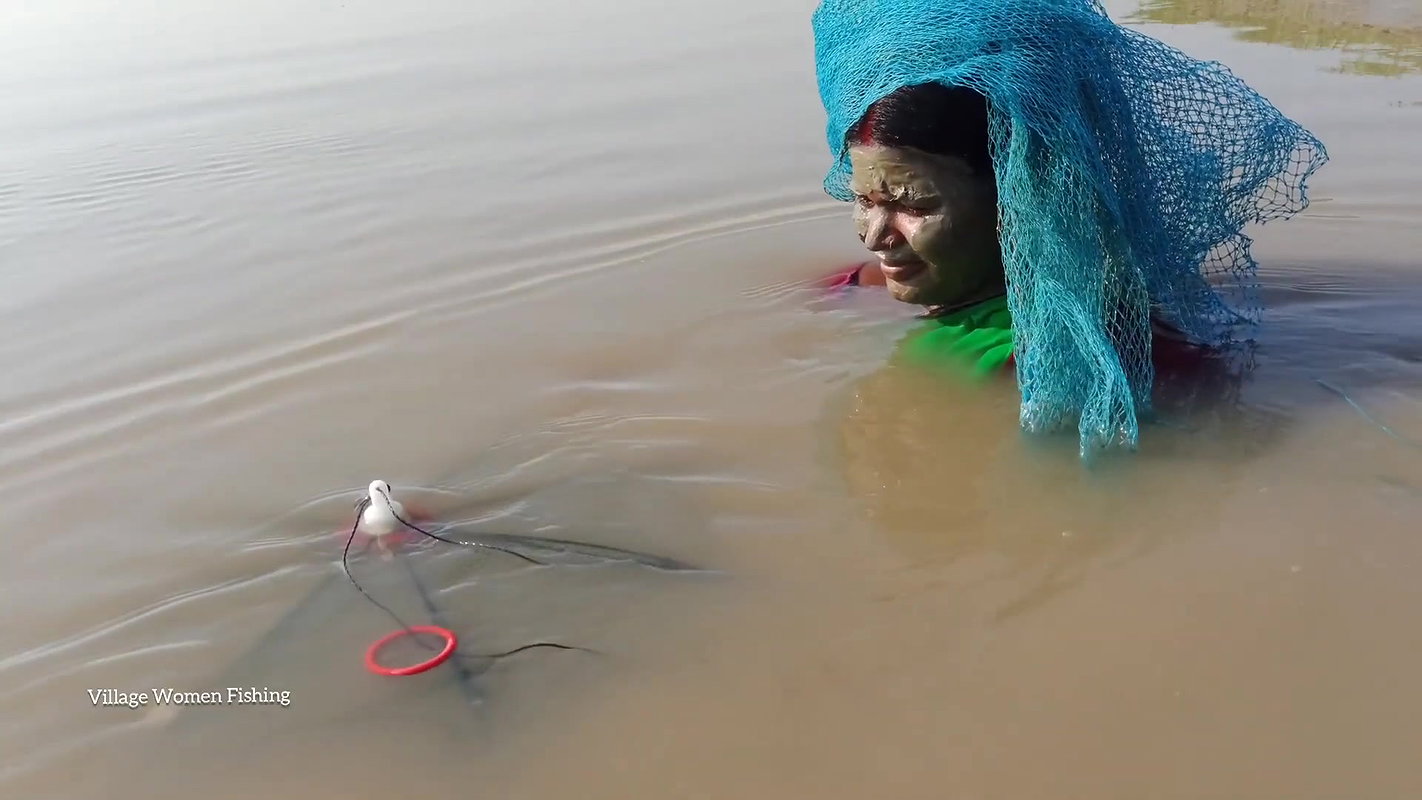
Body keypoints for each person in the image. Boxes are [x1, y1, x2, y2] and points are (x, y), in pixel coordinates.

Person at [811, 0, 1328, 457]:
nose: (875, 236)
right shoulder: (874, 279)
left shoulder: (1069, 367)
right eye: (863, 199)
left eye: (916, 206)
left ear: (1023, 197)